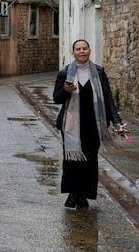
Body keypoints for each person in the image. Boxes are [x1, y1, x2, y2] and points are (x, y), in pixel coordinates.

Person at [53, 39, 124, 209]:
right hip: (71, 124)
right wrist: (66, 90)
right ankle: (73, 194)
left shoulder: (99, 72)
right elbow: (56, 98)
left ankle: (83, 194)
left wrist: (116, 122)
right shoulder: (65, 74)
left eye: (85, 48)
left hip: (94, 123)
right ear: (73, 53)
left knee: (89, 160)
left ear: (89, 50)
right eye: (78, 49)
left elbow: (107, 98)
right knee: (72, 160)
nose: (82, 51)